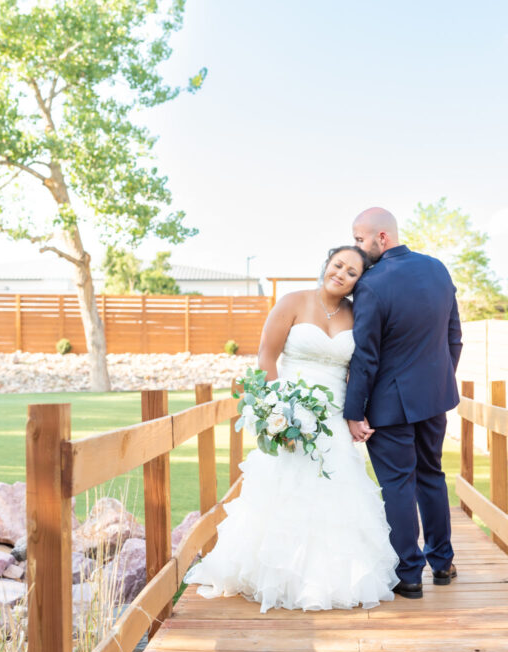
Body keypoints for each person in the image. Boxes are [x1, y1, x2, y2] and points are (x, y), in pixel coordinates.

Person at [183, 246, 399, 613]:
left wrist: (354, 414)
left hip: (332, 416)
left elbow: (360, 368)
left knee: (336, 494)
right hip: (290, 410)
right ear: (326, 265)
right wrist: (275, 411)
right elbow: (267, 355)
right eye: (338, 265)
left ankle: (327, 580)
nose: (341, 274)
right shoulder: (293, 302)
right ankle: (274, 575)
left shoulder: (357, 314)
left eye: (352, 272)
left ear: (359, 281)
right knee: (284, 490)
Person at [345, 207, 462, 599]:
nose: (357, 247)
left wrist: (353, 410)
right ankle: (442, 563)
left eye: (360, 239)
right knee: (432, 476)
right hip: (434, 399)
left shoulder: (372, 284)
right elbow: (453, 336)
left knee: (397, 484)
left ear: (382, 238)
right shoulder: (437, 269)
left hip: (388, 406)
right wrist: (439, 379)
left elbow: (366, 356)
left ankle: (409, 574)